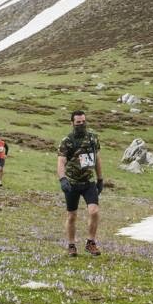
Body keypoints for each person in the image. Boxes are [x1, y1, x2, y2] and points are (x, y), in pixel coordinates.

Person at [57, 110, 103, 257]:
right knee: (72, 215)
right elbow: (61, 162)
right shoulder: (67, 141)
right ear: (72, 123)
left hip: (88, 182)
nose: (81, 124)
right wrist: (63, 179)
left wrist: (100, 179)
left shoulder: (93, 138)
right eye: (78, 122)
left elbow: (97, 159)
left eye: (83, 121)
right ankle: (71, 245)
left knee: (94, 211)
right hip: (72, 183)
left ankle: (91, 242)